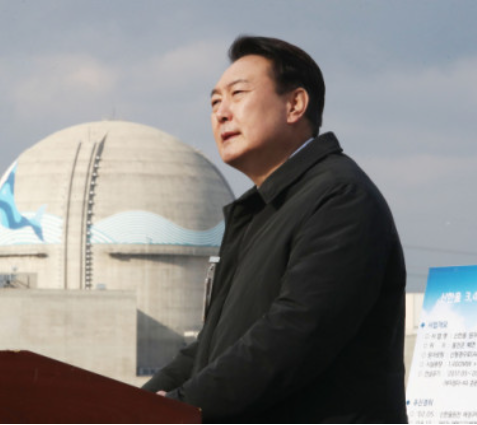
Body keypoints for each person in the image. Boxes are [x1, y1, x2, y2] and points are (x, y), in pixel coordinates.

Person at [142, 35, 408, 423]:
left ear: (295, 104)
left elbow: (297, 331)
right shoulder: (260, 212)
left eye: (237, 94)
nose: (221, 113)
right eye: (214, 102)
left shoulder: (340, 196)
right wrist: (132, 406)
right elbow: (210, 349)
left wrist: (180, 408)